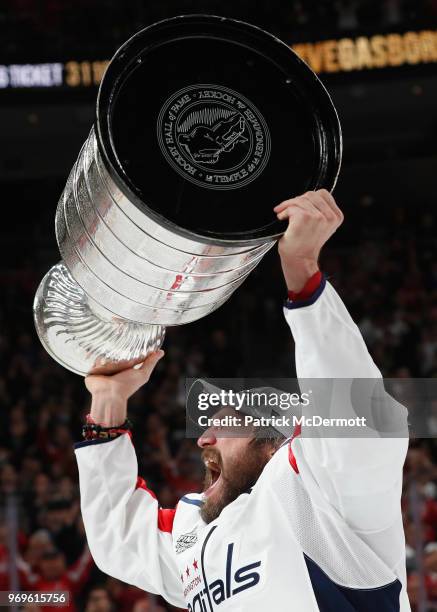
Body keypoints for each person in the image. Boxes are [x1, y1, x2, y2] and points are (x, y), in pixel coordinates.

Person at [75, 190, 410, 611]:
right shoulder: (194, 533)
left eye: (223, 424)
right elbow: (117, 537)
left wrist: (303, 271)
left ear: (276, 439)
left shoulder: (318, 493)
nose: (202, 440)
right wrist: (108, 403)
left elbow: (358, 415)